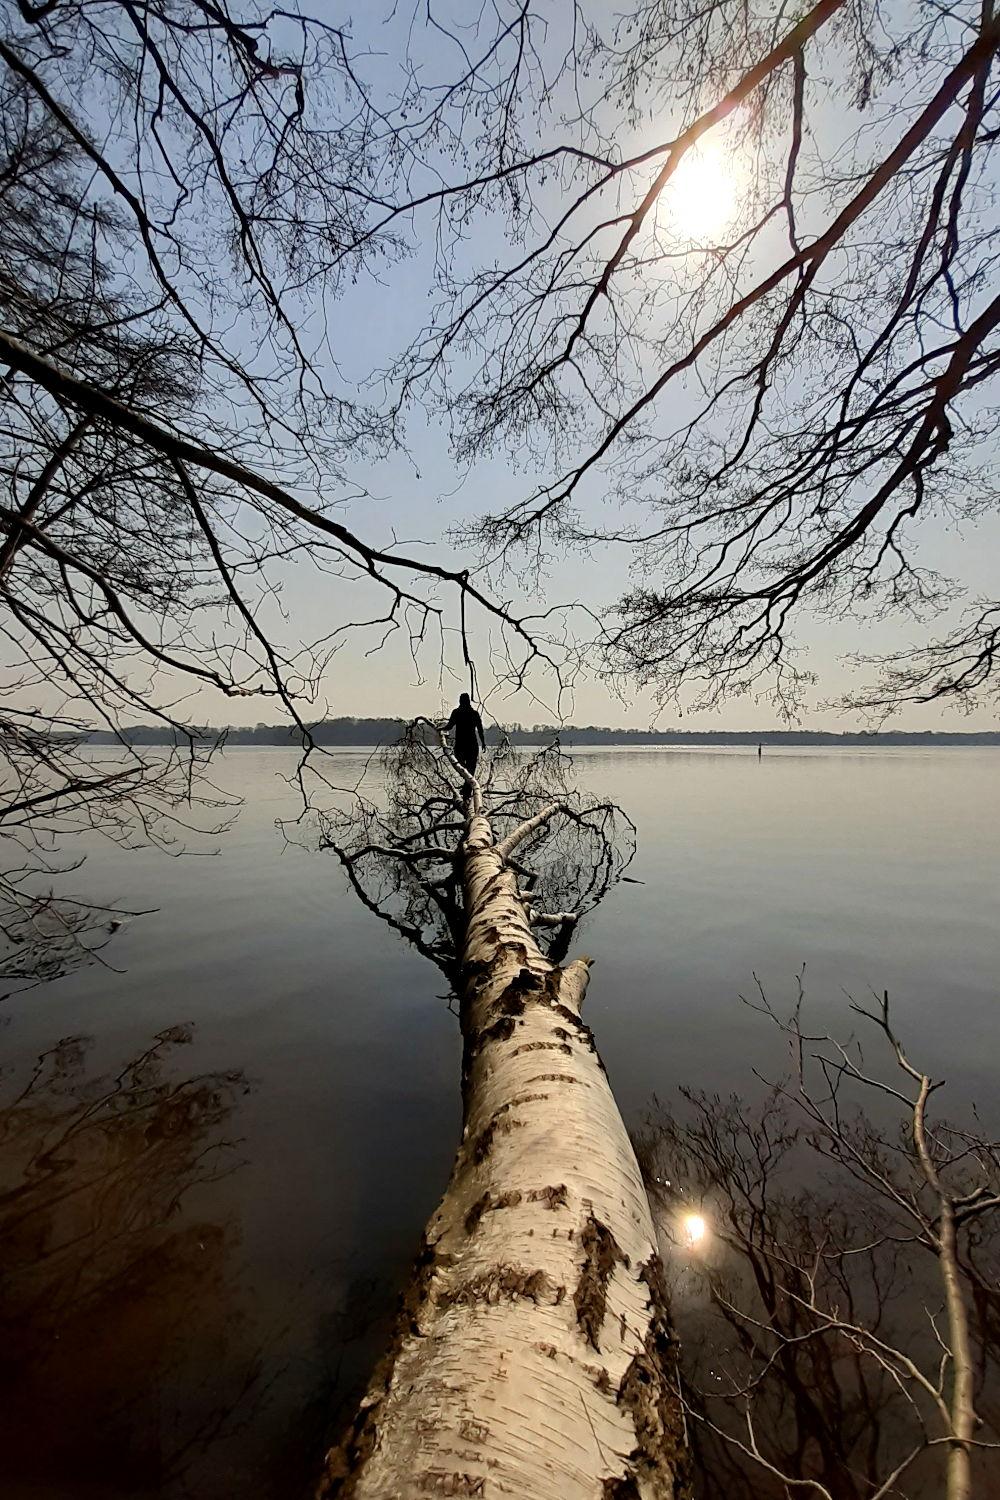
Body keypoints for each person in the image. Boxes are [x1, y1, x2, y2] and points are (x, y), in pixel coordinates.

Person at [447, 692, 486, 775]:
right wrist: (483, 742)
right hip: (468, 745)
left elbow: (449, 726)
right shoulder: (471, 713)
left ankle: (468, 785)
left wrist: (483, 742)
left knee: (466, 767)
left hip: (464, 745)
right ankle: (468, 784)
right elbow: (480, 730)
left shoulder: (458, 712)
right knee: (468, 768)